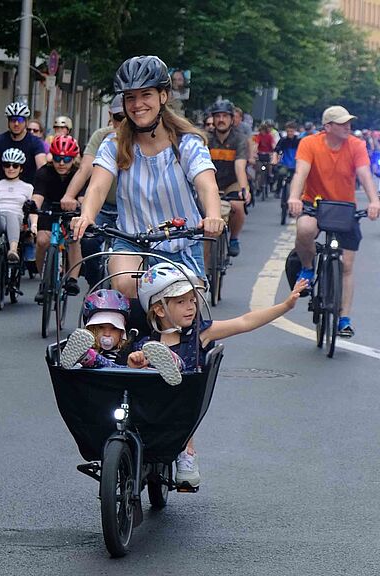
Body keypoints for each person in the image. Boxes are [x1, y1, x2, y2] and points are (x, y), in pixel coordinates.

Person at [136, 262, 310, 487]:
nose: (191, 307)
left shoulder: (200, 333)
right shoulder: (145, 341)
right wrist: (137, 361)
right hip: (147, 399)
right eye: (181, 302)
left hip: (181, 402)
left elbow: (244, 322)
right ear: (159, 310)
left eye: (193, 300)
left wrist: (285, 305)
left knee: (182, 405)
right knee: (135, 363)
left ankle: (187, 452)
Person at [71, 55, 224, 299]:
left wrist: (214, 216)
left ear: (163, 96)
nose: (137, 104)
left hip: (180, 245)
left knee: (184, 313)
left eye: (146, 95)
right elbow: (97, 188)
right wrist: (87, 216)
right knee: (122, 284)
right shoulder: (114, 144)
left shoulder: (186, 144)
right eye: (130, 97)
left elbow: (207, 186)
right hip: (131, 242)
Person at [287, 105, 380, 337]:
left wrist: (374, 201)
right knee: (305, 228)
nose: (347, 126)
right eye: (341, 123)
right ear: (327, 127)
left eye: (349, 122)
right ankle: (308, 268)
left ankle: (344, 319)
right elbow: (301, 172)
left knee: (347, 265)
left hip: (344, 208)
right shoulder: (310, 143)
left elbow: (364, 174)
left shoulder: (356, 145)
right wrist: (293, 198)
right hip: (315, 204)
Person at [60, 288, 184, 386]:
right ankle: (86, 357)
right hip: (95, 389)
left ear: (122, 330)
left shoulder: (132, 344)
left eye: (114, 328)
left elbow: (144, 353)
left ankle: (174, 362)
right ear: (91, 328)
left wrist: (140, 358)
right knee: (77, 358)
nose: (107, 334)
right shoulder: (80, 344)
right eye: (101, 327)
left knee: (149, 350)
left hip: (131, 388)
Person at [63, 94, 124, 287]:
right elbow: (85, 168)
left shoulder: (143, 139)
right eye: (118, 118)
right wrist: (69, 195)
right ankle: (93, 281)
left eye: (127, 118)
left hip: (128, 210)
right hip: (102, 205)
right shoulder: (102, 136)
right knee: (88, 241)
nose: (122, 124)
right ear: (110, 116)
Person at [32, 135, 83, 298]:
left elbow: (83, 198)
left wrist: (81, 206)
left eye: (67, 159)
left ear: (73, 159)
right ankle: (44, 279)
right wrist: (32, 206)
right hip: (49, 208)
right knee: (42, 241)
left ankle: (73, 279)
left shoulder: (78, 173)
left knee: (74, 239)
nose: (61, 163)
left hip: (71, 210)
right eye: (58, 158)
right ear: (51, 157)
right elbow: (38, 196)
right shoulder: (44, 172)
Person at [207, 99, 250, 258]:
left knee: (238, 207)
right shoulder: (205, 138)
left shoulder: (239, 139)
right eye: (218, 116)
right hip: (210, 183)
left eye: (225, 116)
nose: (221, 120)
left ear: (232, 119)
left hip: (232, 182)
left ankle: (234, 238)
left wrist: (244, 189)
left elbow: (240, 166)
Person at [0, 148, 34, 262]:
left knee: (11, 214)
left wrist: (33, 225)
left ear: (21, 168)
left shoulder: (28, 187)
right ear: (3, 167)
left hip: (17, 220)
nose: (11, 168)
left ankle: (13, 250)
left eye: (15, 166)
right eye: (7, 165)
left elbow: (32, 209)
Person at [0, 102, 47, 185]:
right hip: (3, 191)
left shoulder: (35, 142)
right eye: (13, 120)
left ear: (26, 122)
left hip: (28, 192)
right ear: (8, 122)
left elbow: (42, 165)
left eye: (20, 120)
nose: (16, 124)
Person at [272, 121, 300, 197]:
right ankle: (278, 191)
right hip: (285, 164)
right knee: (280, 174)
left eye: (291, 131)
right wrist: (274, 160)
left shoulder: (299, 141)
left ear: (295, 131)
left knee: (298, 179)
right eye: (288, 131)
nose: (290, 133)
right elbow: (276, 151)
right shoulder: (283, 140)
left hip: (296, 164)